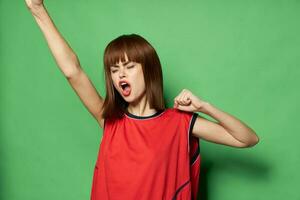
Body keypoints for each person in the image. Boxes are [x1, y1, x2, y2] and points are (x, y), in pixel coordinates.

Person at [25, 1, 260, 199]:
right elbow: (72, 71)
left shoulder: (180, 123)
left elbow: (247, 139)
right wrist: (38, 10)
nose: (121, 75)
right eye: (114, 69)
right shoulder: (110, 120)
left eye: (129, 66)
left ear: (149, 71)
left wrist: (204, 106)